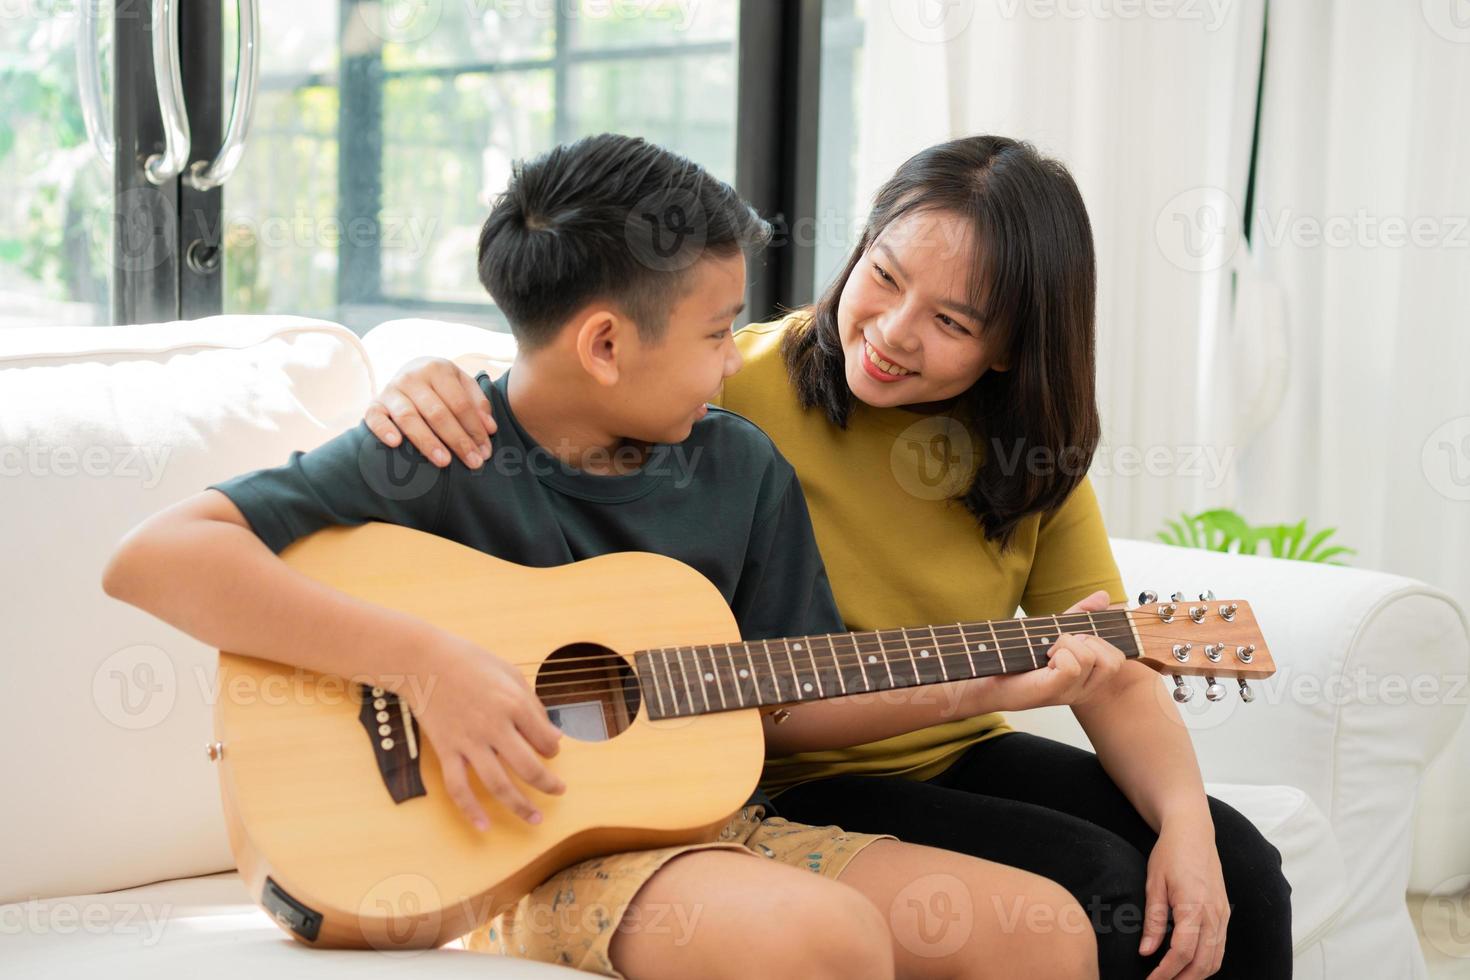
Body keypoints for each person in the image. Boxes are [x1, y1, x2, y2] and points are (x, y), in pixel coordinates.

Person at [101, 133, 1105, 980]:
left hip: (713, 825)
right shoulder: (441, 447)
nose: (735, 360)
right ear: (606, 345)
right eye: (718, 334)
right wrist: (428, 664)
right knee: (826, 937)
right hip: (501, 851)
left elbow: (788, 699)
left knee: (1046, 933)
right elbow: (154, 557)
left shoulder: (740, 465)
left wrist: (994, 677)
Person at [363, 135, 1294, 979]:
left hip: (954, 747)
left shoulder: (1027, 454)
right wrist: (427, 385)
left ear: (1014, 347)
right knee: (1102, 887)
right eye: (883, 278)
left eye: (954, 323)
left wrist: (1187, 826)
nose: (892, 332)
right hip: (784, 767)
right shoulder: (727, 384)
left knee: (1242, 870)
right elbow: (569, 367)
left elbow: (1113, 667)